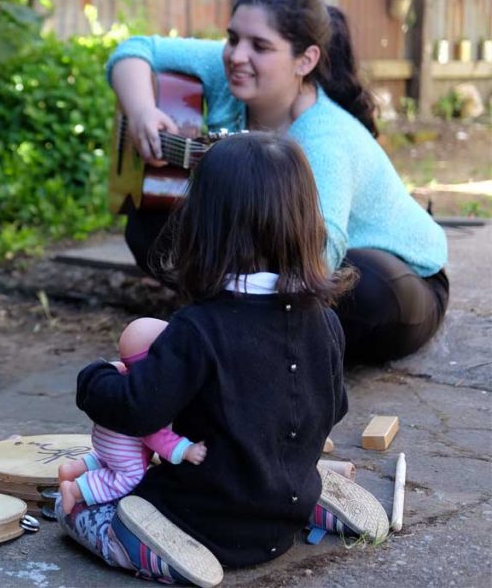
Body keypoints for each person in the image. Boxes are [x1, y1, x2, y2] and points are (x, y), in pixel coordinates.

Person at [58, 133, 390, 587]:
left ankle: (141, 543)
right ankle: (306, 493)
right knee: (277, 454)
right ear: (306, 221)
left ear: (203, 225)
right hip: (282, 519)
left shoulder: (198, 329)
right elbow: (335, 409)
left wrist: (95, 379)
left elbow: (136, 410)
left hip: (202, 521)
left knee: (71, 507)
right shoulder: (325, 321)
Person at [109, 0, 448, 365]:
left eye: (260, 46)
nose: (237, 55)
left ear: (305, 61)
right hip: (283, 258)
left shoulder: (323, 138)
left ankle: (247, 334)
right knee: (151, 224)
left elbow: (322, 252)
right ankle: (253, 331)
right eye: (232, 38)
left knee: (361, 289)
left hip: (400, 282)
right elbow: (135, 51)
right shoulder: (230, 75)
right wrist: (141, 113)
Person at [58, 317, 206, 515]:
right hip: (124, 449)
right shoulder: (149, 397)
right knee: (129, 476)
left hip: (104, 440)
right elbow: (156, 436)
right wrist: (186, 450)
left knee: (104, 459)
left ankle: (72, 469)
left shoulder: (122, 376)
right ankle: (75, 490)